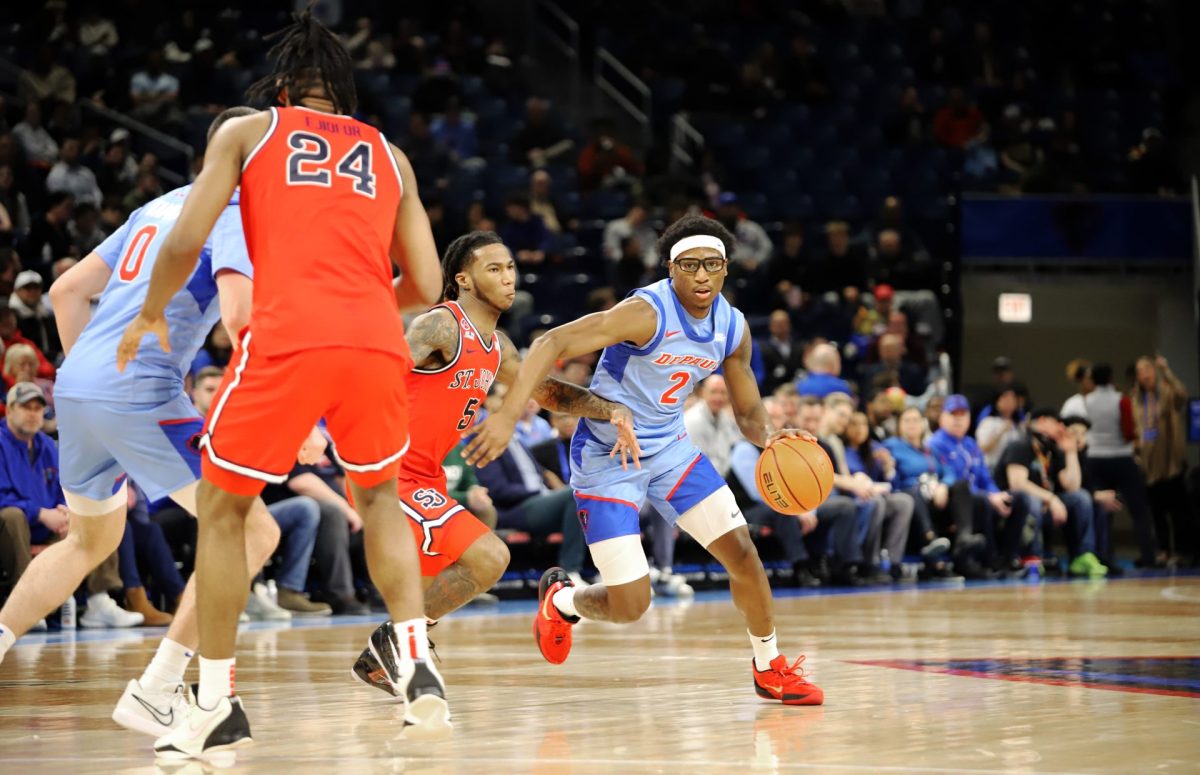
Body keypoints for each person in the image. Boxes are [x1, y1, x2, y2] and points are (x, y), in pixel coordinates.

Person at [116, 12, 450, 753]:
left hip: (288, 336)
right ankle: (419, 663)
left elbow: (186, 238)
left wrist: (146, 315)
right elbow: (426, 281)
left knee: (224, 511)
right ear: (344, 93)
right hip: (373, 342)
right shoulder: (392, 157)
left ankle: (215, 698)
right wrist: (361, 305)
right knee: (381, 496)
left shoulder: (246, 130)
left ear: (284, 89)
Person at [0, 110, 295, 748]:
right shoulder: (236, 210)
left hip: (77, 389)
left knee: (89, 540)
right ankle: (158, 689)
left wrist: (89, 383)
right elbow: (240, 320)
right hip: (143, 390)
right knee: (253, 529)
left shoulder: (159, 205)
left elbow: (65, 290)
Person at [464, 214, 825, 706]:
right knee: (632, 604)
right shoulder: (645, 311)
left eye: (712, 265)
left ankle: (769, 668)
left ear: (725, 270)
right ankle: (564, 599)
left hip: (671, 448)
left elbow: (748, 412)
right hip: (608, 452)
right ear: (671, 269)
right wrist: (507, 416)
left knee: (743, 554)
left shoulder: (733, 327)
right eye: (691, 265)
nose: (702, 276)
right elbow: (552, 342)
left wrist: (772, 437)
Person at [345, 232, 635, 696]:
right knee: (491, 557)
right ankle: (395, 641)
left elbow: (548, 392)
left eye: (510, 268)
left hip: (427, 478)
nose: (508, 278)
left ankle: (383, 657)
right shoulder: (441, 326)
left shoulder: (498, 346)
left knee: (441, 587)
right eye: (494, 269)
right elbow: (378, 376)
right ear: (462, 279)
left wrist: (611, 409)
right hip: (389, 473)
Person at [994, 408, 1107, 577]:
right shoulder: (1020, 445)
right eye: (1057, 423)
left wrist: (1070, 452)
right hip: (1015, 512)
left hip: (1045, 510)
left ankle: (1082, 556)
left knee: (1081, 498)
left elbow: (1072, 486)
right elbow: (1018, 484)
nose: (1062, 428)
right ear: (1042, 422)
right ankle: (1031, 557)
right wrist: (1052, 499)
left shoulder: (1052, 451)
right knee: (1031, 500)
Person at [1082, 364, 1159, 567]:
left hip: (1095, 458)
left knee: (1103, 509)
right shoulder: (1121, 400)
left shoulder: (1086, 401)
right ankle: (1148, 555)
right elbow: (1128, 431)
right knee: (1139, 509)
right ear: (1111, 378)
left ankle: (1105, 557)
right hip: (1121, 458)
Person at [1131, 356, 1193, 563]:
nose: (1145, 374)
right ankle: (1163, 550)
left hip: (1171, 463)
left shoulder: (1167, 392)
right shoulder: (1136, 398)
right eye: (1140, 371)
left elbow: (1182, 395)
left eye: (1148, 369)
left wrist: (1167, 370)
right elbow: (1135, 428)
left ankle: (1183, 551)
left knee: (1178, 512)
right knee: (1157, 513)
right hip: (1150, 465)